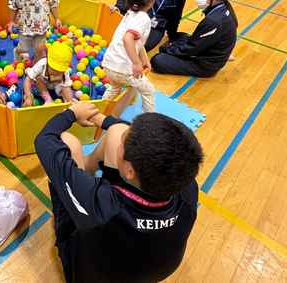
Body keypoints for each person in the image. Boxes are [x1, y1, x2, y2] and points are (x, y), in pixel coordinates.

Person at [34, 102, 203, 283]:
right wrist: (102, 120)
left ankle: (80, 177)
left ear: (130, 172)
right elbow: (133, 135)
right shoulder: (186, 185)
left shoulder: (99, 205)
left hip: (89, 274)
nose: (120, 144)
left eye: (123, 144)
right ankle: (86, 170)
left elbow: (44, 140)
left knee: (67, 142)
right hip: (151, 270)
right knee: (117, 130)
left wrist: (71, 114)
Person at [151, 0, 238, 77]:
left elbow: (191, 49)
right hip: (212, 49)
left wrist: (168, 50)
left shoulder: (214, 21)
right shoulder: (223, 6)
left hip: (205, 65)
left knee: (158, 60)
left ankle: (222, 57)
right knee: (179, 36)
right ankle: (224, 56)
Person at [102, 0, 157, 113]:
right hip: (124, 70)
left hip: (109, 65)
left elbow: (137, 42)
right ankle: (149, 120)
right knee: (149, 91)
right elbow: (128, 39)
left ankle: (100, 109)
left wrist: (144, 59)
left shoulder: (129, 14)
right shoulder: (143, 19)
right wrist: (137, 63)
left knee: (114, 88)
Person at [23, 42, 74, 107]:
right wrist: (28, 96)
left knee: (65, 90)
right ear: (48, 62)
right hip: (41, 86)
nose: (56, 73)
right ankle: (48, 99)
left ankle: (66, 101)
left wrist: (70, 101)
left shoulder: (65, 71)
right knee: (38, 79)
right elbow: (28, 80)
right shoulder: (42, 64)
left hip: (55, 86)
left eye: (59, 71)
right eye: (53, 69)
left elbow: (66, 87)